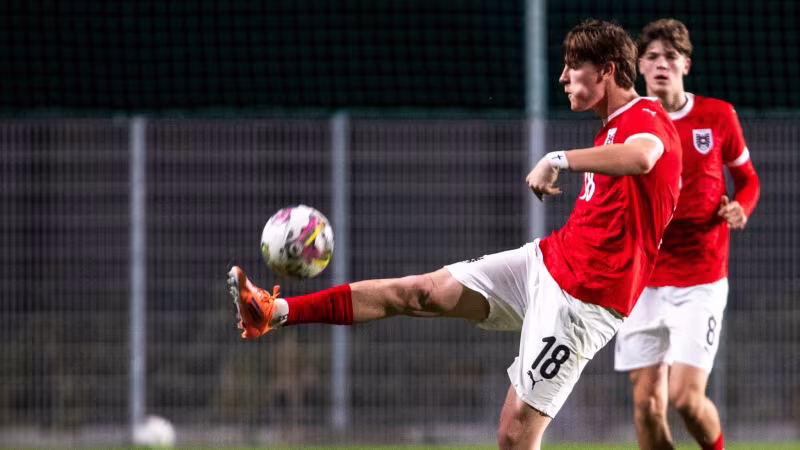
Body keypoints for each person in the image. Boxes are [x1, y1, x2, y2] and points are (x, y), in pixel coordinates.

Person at [227, 19, 681, 449]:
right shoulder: (612, 127)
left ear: (606, 70)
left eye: (572, 65)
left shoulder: (646, 118)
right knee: (419, 291)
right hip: (548, 261)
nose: (562, 77)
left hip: (583, 301)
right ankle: (272, 311)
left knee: (514, 435)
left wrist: (557, 158)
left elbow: (643, 156)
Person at [614, 18, 761, 450]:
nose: (662, 65)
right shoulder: (628, 122)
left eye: (671, 57)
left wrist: (741, 207)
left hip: (701, 277)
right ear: (639, 67)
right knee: (646, 405)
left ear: (686, 65)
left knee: (685, 399)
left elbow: (748, 179)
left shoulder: (717, 116)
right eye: (653, 57)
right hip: (643, 278)